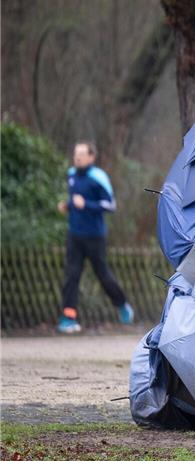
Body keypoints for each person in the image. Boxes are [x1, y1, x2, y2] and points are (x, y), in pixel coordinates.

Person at [56, 141, 134, 333]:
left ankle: (122, 304)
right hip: (75, 235)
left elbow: (110, 205)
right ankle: (68, 318)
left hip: (95, 237)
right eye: (75, 154)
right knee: (72, 275)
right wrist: (68, 205)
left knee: (102, 274)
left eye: (82, 154)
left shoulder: (99, 178)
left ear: (92, 157)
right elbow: (76, 200)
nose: (77, 157)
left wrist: (87, 205)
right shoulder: (71, 175)